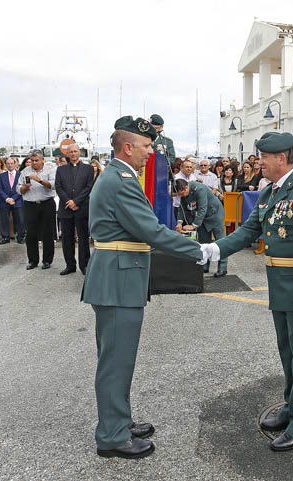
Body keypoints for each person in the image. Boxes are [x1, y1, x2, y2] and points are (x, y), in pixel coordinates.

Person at [82, 116, 205, 460]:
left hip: (119, 278)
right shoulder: (121, 179)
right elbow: (150, 231)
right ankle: (111, 435)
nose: (152, 151)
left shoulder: (119, 176)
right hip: (118, 281)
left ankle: (119, 420)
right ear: (127, 147)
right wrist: (201, 249)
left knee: (118, 358)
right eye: (148, 146)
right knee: (115, 361)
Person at [202, 131, 293, 451]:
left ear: (281, 158)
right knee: (289, 354)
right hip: (279, 285)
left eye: (263, 157)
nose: (259, 162)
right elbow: (249, 230)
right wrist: (214, 249)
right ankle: (291, 407)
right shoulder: (272, 192)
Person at [55, 143, 95, 275]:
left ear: (80, 153)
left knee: (83, 238)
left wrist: (76, 201)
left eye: (75, 151)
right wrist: (69, 202)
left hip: (81, 207)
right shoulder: (61, 170)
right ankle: (70, 265)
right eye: (71, 152)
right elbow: (58, 187)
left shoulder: (88, 169)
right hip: (66, 208)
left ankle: (85, 265)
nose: (73, 154)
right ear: (67, 154)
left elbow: (88, 187)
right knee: (67, 239)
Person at [175, 179, 228, 277]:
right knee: (204, 242)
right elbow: (181, 208)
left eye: (182, 193)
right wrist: (179, 222)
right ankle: (204, 265)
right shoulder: (183, 192)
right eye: (180, 195)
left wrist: (193, 226)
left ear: (186, 187)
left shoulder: (199, 189)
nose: (182, 196)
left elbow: (203, 209)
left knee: (220, 242)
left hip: (214, 214)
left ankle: (223, 268)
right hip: (202, 219)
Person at [17, 149, 57, 270]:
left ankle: (47, 260)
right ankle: (33, 260)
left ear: (42, 160)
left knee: (47, 233)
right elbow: (18, 190)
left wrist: (39, 180)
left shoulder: (50, 170)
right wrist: (25, 187)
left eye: (36, 160)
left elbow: (53, 185)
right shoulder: (25, 171)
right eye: (32, 160)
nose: (34, 163)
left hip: (46, 203)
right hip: (30, 204)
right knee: (31, 233)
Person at [0, 157, 25, 244]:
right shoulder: (2, 175)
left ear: (15, 164)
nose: (10, 165)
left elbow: (22, 188)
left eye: (11, 163)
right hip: (5, 201)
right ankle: (5, 237)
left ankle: (20, 237)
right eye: (8, 164)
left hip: (17, 200)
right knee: (4, 220)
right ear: (5, 164)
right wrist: (7, 199)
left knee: (20, 219)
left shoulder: (20, 175)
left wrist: (13, 198)